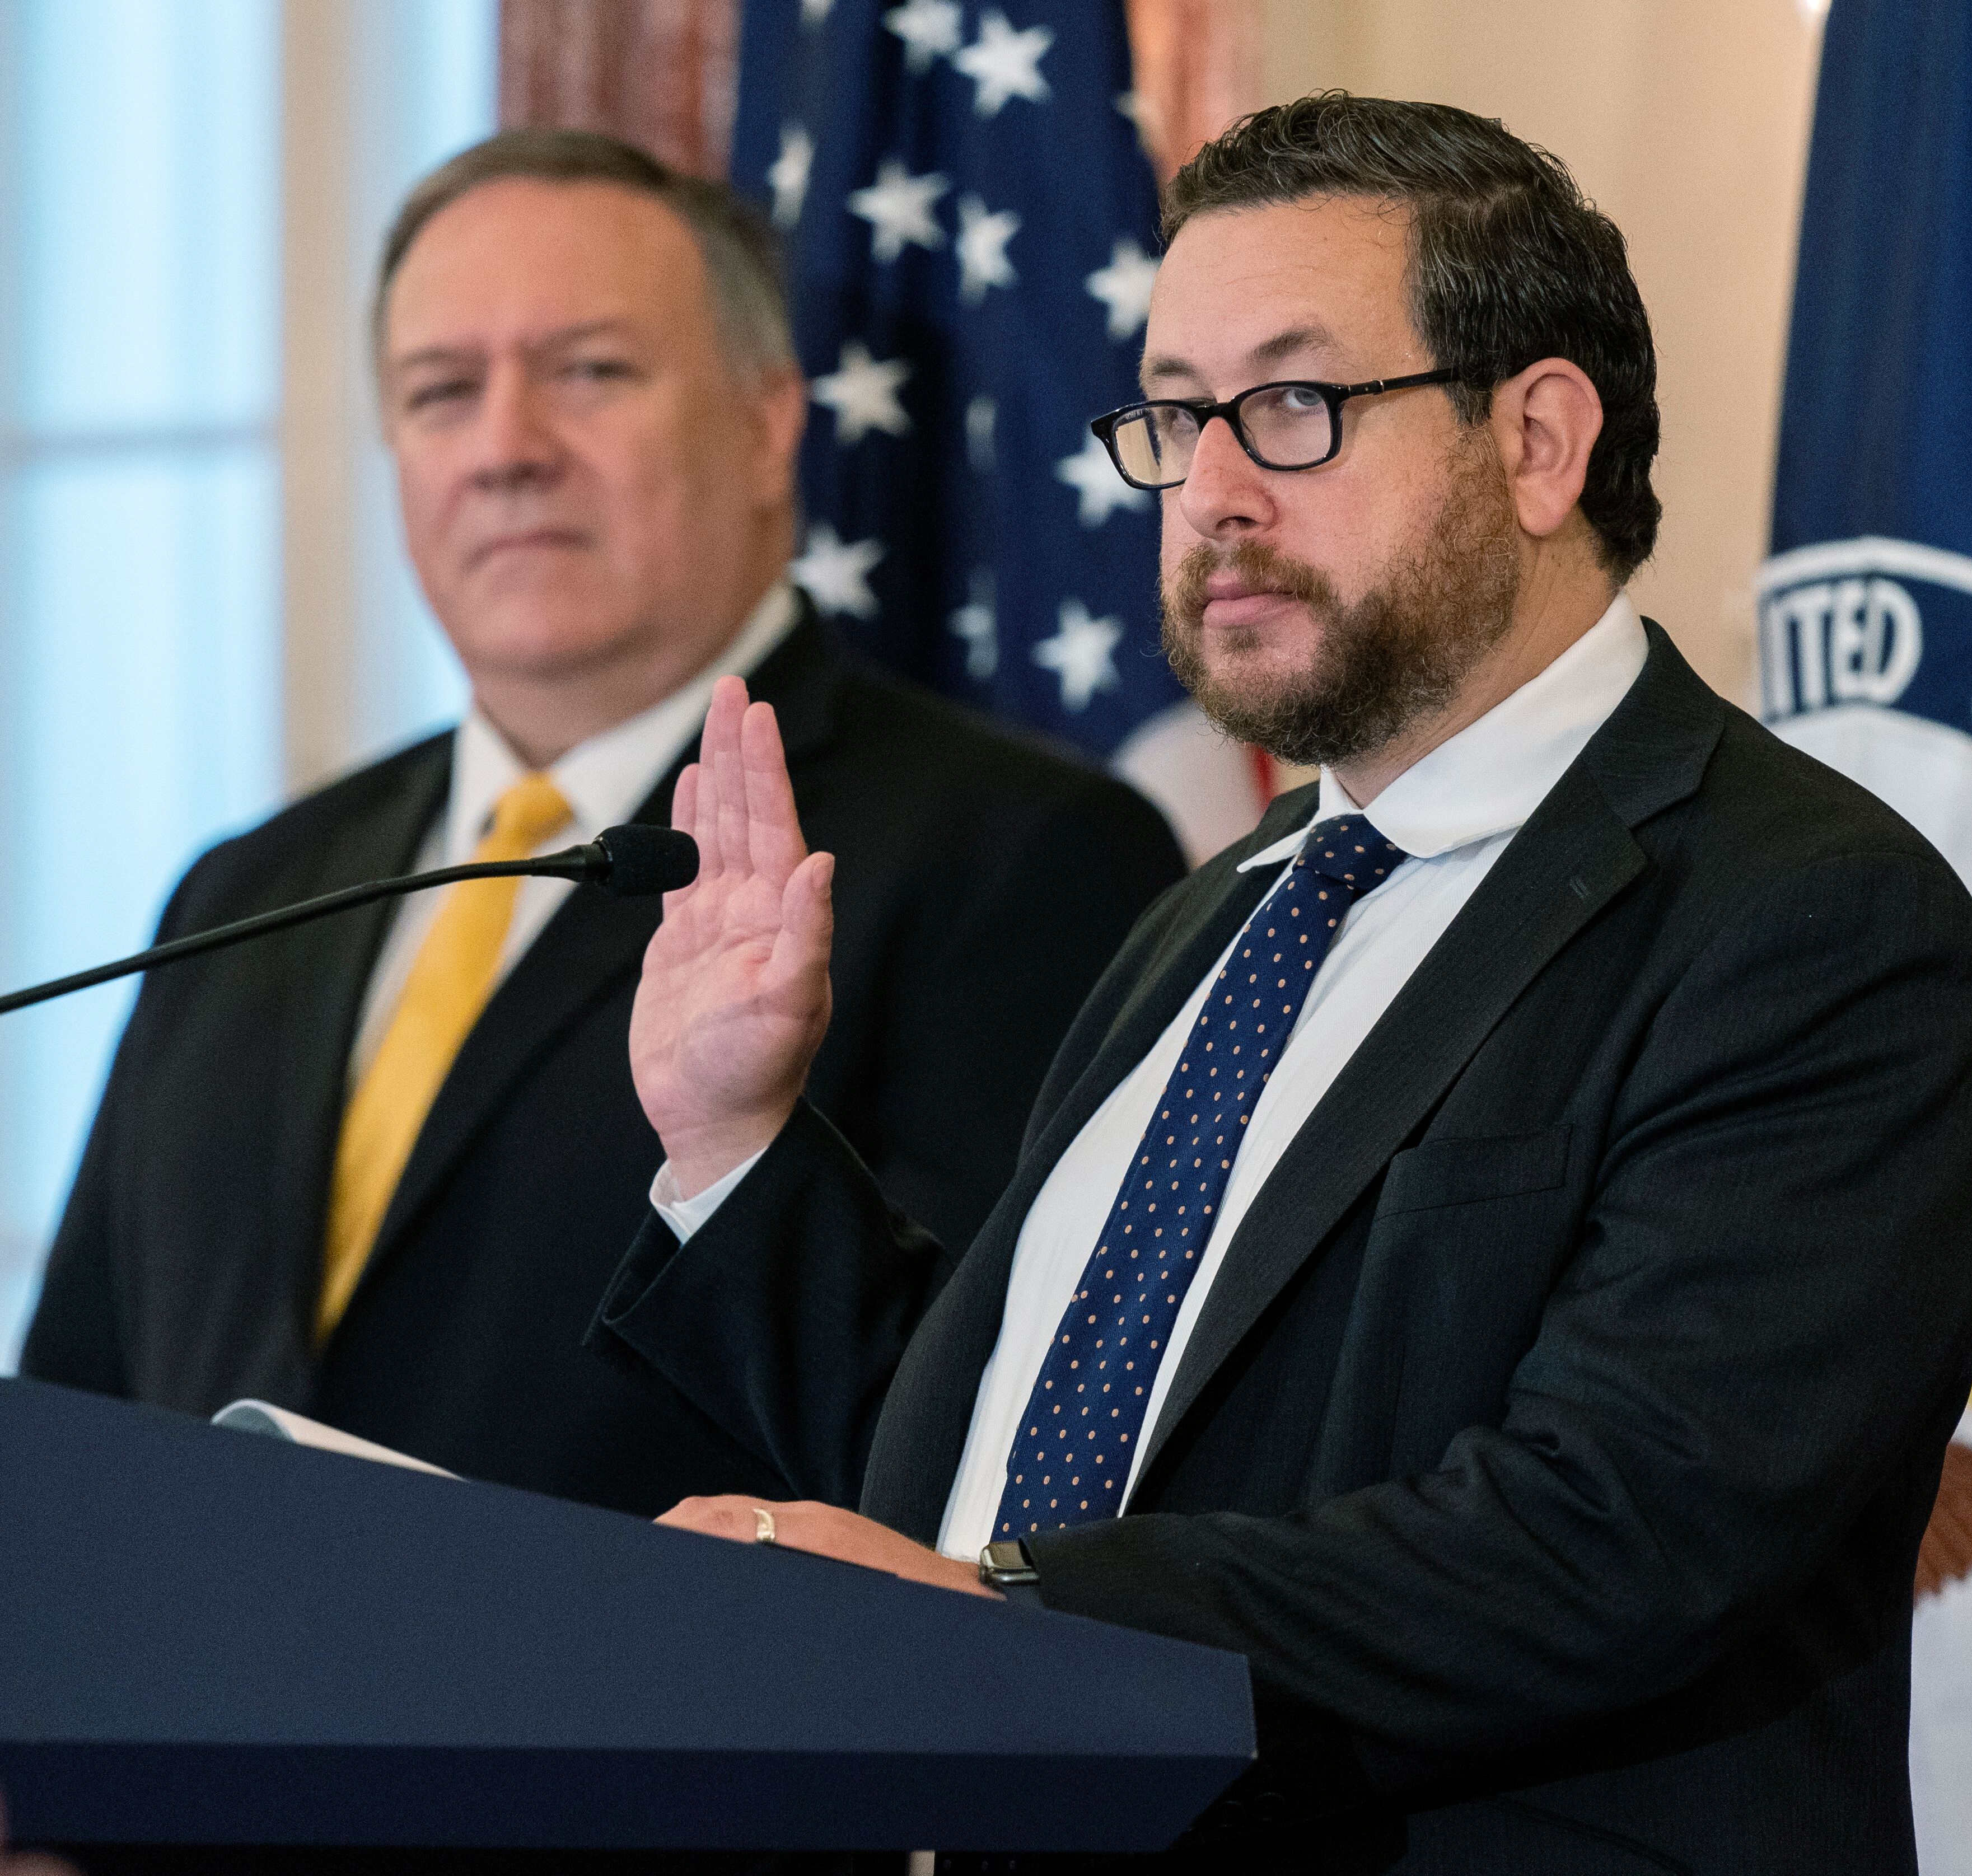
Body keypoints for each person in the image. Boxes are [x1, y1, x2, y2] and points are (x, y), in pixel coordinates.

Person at [594, 96, 1972, 1872]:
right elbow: (977, 1481)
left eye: (1291, 405)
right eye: (1175, 418)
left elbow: (1610, 1539)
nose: (1211, 491)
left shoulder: (1805, 925)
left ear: (1538, 441)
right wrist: (735, 1147)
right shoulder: (1226, 911)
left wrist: (1011, 1633)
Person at [18, 130, 1184, 1519]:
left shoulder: (1021, 849)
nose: (507, 450)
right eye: (441, 392)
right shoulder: (248, 886)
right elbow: (74, 1428)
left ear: (766, 424)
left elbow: (990, 1429)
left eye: (589, 373)